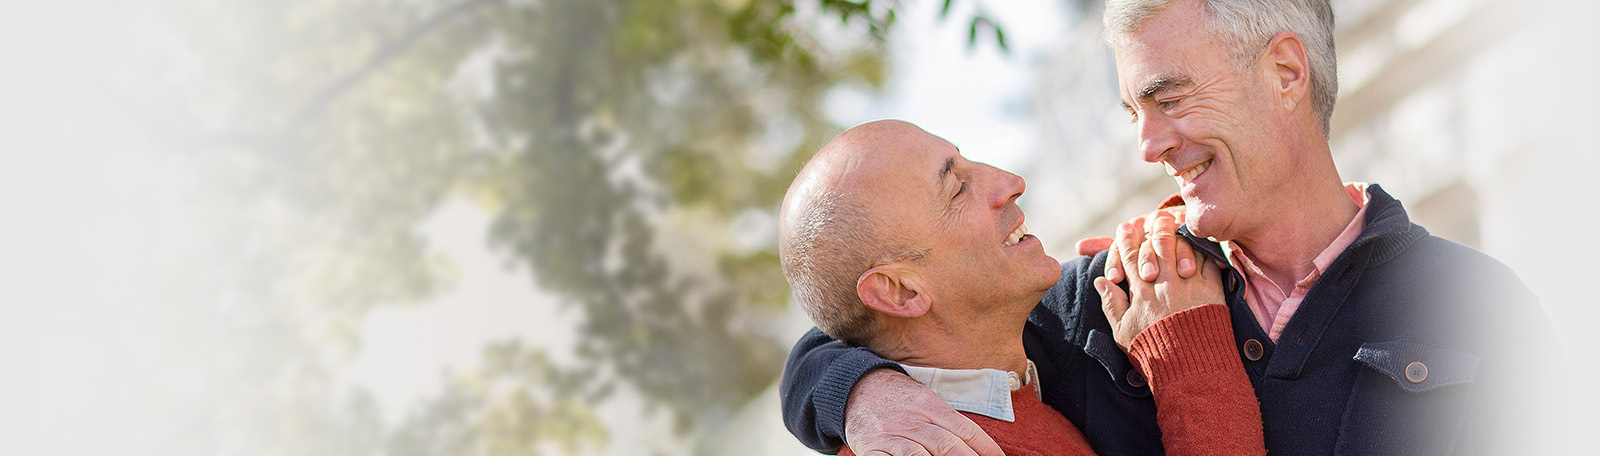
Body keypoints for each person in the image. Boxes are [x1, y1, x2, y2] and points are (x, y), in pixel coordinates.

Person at [780, 0, 1564, 454]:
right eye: (1134, 113)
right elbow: (870, 315)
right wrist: (858, 394)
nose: (1148, 146)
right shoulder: (1107, 291)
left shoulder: (1484, 307)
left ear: (1286, 74)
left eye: (1170, 99)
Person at [778, 119, 1263, 456]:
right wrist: (1188, 353)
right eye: (958, 187)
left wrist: (1178, 235)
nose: (1011, 181)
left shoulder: (1023, 373)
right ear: (901, 292)